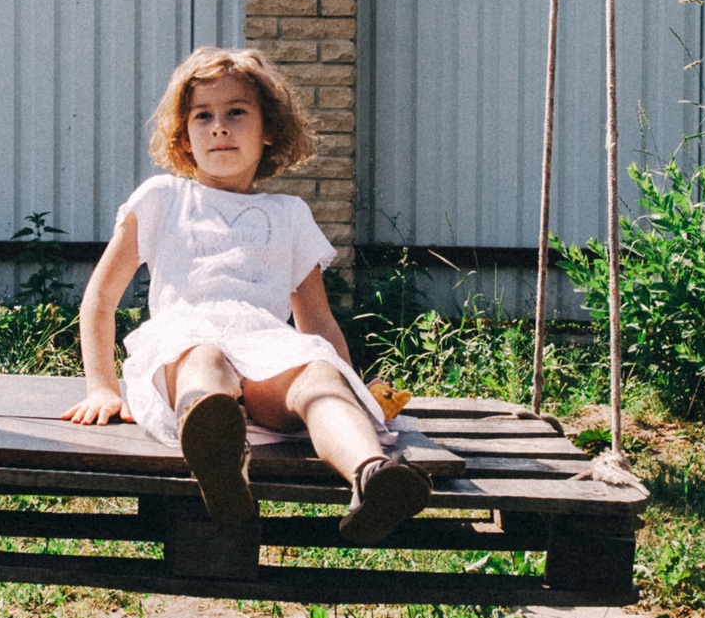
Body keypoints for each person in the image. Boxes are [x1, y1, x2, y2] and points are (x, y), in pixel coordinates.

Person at [60, 46, 431, 542]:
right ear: (184, 136)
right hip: (185, 345)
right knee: (204, 358)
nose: (219, 127)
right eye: (203, 116)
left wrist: (352, 386)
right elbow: (100, 300)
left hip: (266, 351)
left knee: (317, 377)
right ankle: (220, 458)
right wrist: (101, 387)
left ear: (269, 128)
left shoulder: (289, 214)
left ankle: (371, 475)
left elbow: (316, 322)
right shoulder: (164, 199)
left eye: (236, 112)